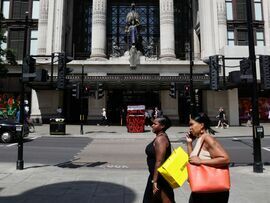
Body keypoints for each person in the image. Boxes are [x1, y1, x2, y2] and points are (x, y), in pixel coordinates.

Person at [186, 112, 230, 203]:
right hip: (202, 188)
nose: (190, 128)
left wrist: (201, 161)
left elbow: (225, 159)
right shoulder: (200, 139)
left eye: (192, 124)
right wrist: (189, 143)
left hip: (212, 191)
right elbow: (193, 160)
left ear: (201, 125)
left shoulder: (207, 139)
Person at [143, 116, 175, 203]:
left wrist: (154, 181)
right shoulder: (160, 137)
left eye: (155, 124)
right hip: (156, 176)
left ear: (162, 126)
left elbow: (159, 161)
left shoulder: (161, 139)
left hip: (160, 178)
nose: (152, 125)